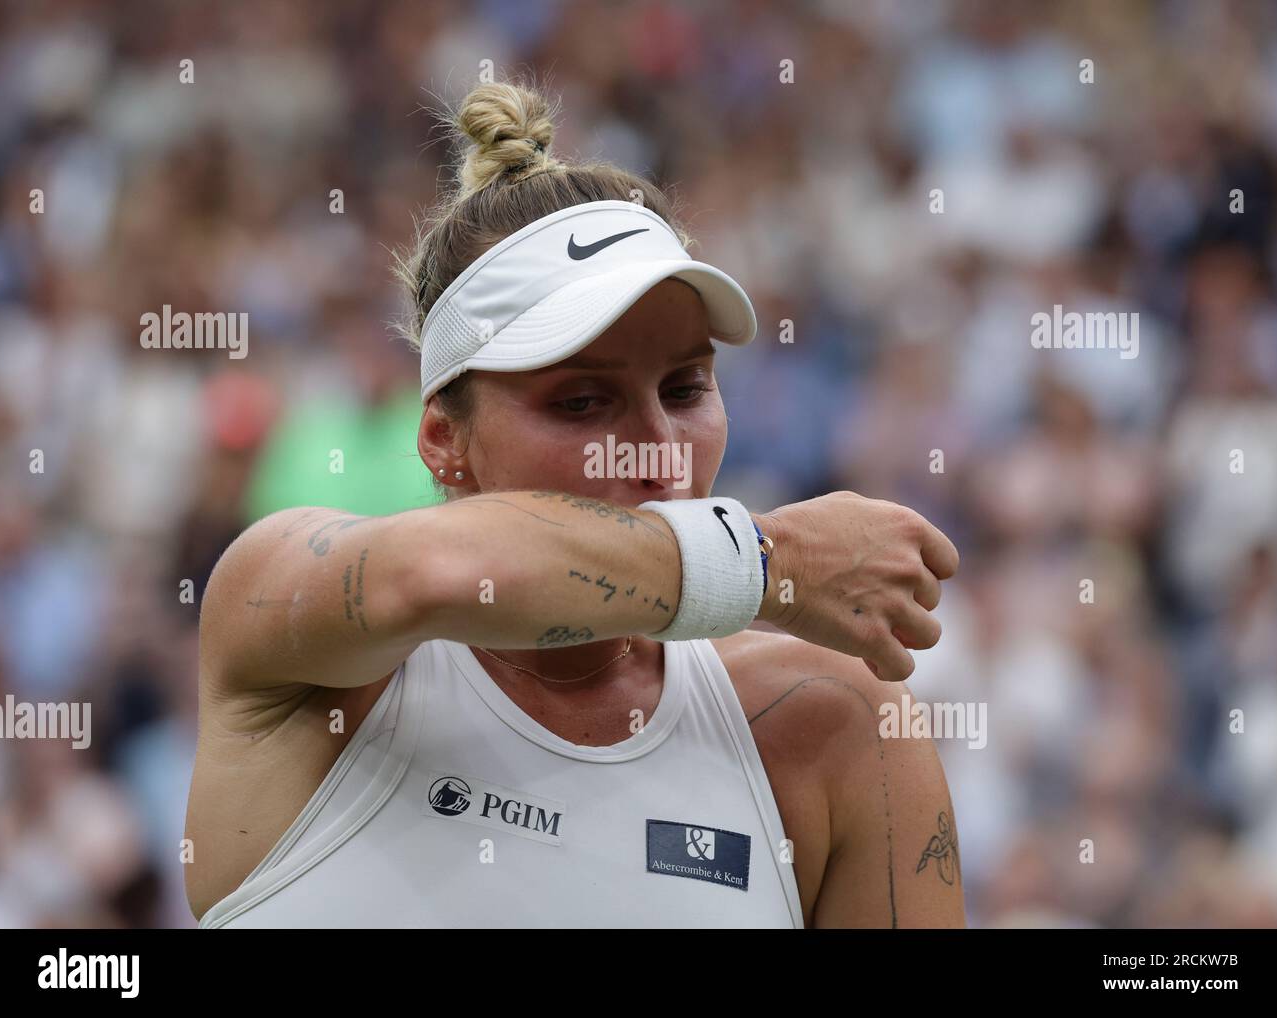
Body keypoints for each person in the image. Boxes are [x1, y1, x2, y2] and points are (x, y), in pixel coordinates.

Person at [185, 81, 963, 928]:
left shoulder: (832, 720)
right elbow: (438, 572)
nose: (657, 445)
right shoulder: (292, 619)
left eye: (686, 385)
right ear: (444, 438)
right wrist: (777, 562)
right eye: (581, 402)